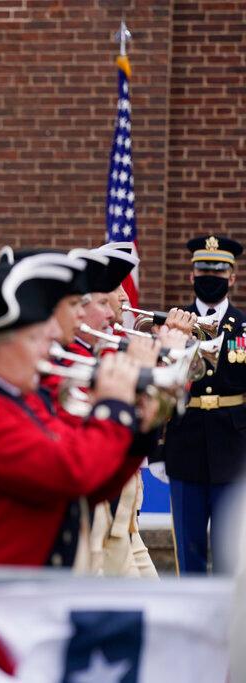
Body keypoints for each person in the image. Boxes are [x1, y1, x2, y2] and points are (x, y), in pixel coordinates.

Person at [0, 256, 152, 567]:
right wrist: (113, 408)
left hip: (32, 589)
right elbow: (72, 473)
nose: (47, 349)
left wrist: (141, 428)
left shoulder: (14, 397)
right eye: (33, 338)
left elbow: (88, 489)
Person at [159, 235, 246, 574]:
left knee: (231, 553)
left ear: (233, 277)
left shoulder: (243, 327)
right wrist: (157, 449)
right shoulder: (173, 324)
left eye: (219, 271)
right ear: (192, 275)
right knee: (188, 548)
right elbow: (161, 387)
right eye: (204, 270)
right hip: (185, 444)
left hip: (234, 448)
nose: (211, 276)